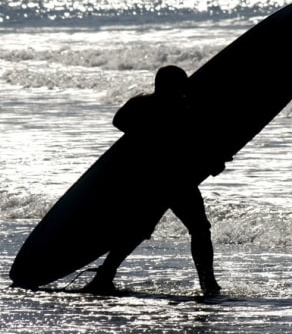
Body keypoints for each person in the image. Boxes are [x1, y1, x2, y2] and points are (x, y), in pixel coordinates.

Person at [83, 65, 223, 297]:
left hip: (155, 179)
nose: (184, 88)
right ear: (171, 86)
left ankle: (105, 275)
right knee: (195, 230)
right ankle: (208, 283)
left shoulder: (143, 105)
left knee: (142, 230)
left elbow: (120, 121)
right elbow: (197, 143)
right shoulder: (183, 110)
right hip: (171, 181)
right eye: (180, 84)